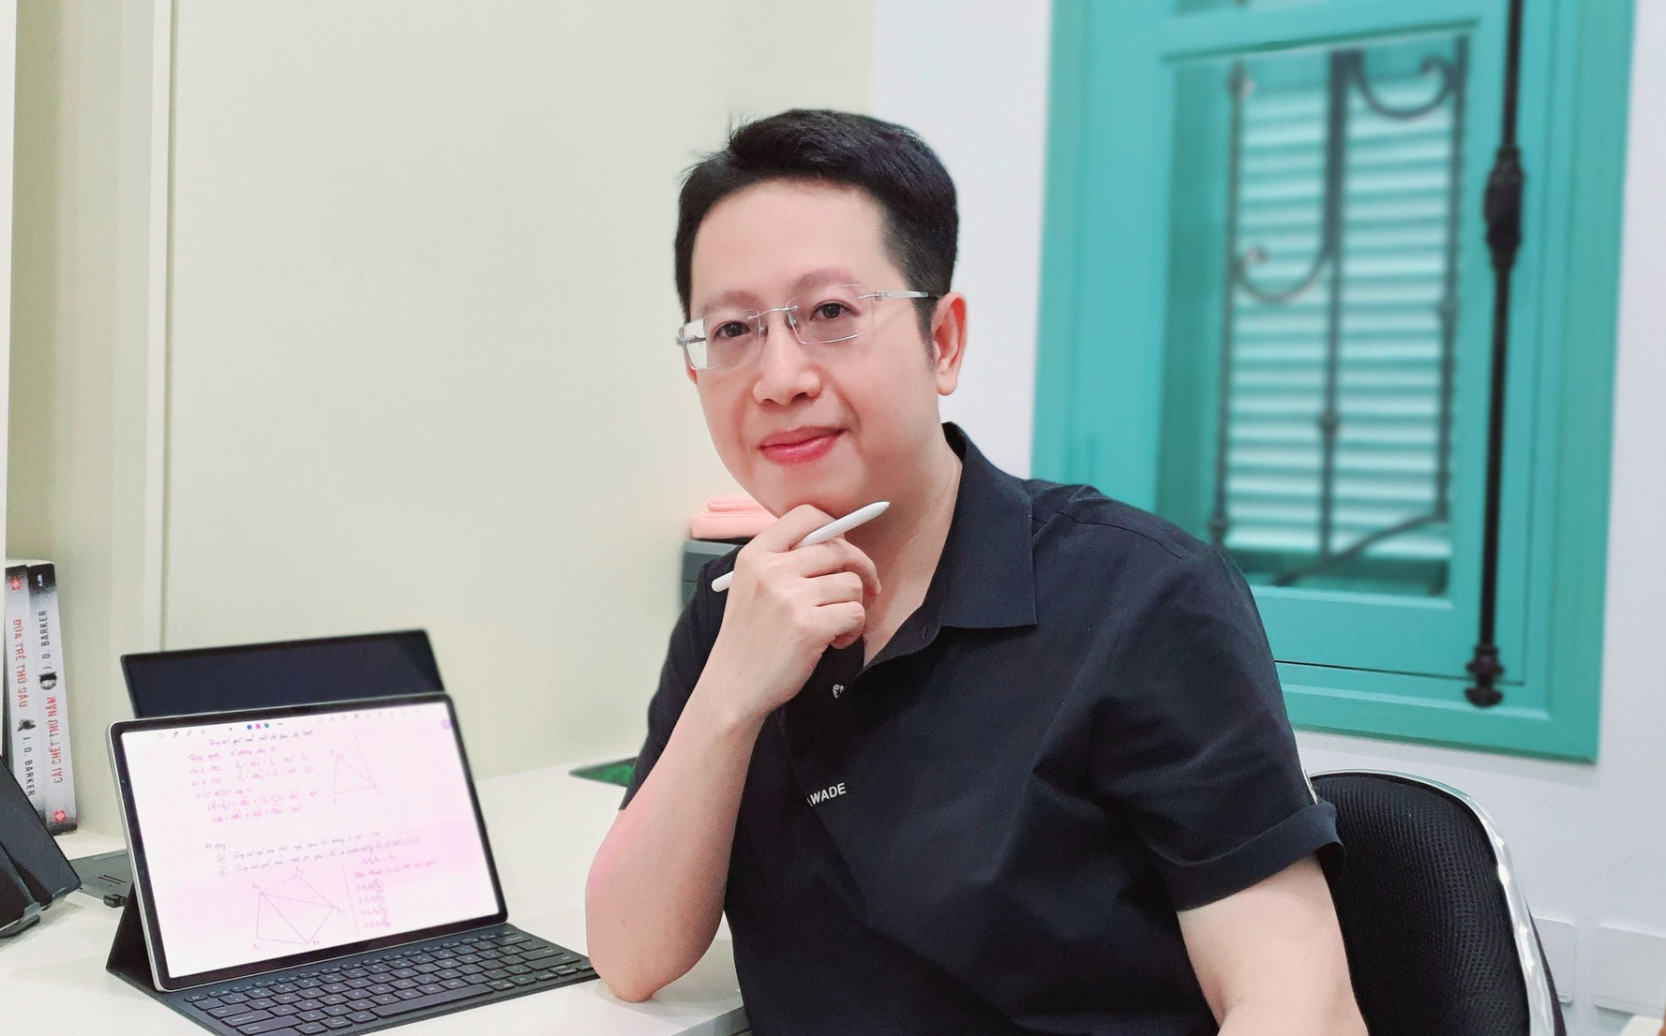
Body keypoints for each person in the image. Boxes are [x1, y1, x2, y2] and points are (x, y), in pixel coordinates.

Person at [584, 109, 1367, 1036]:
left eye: (830, 313)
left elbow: (1300, 1005)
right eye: (732, 329)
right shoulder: (735, 608)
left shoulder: (1141, 596)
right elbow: (631, 953)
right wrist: (728, 696)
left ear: (943, 341)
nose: (779, 376)